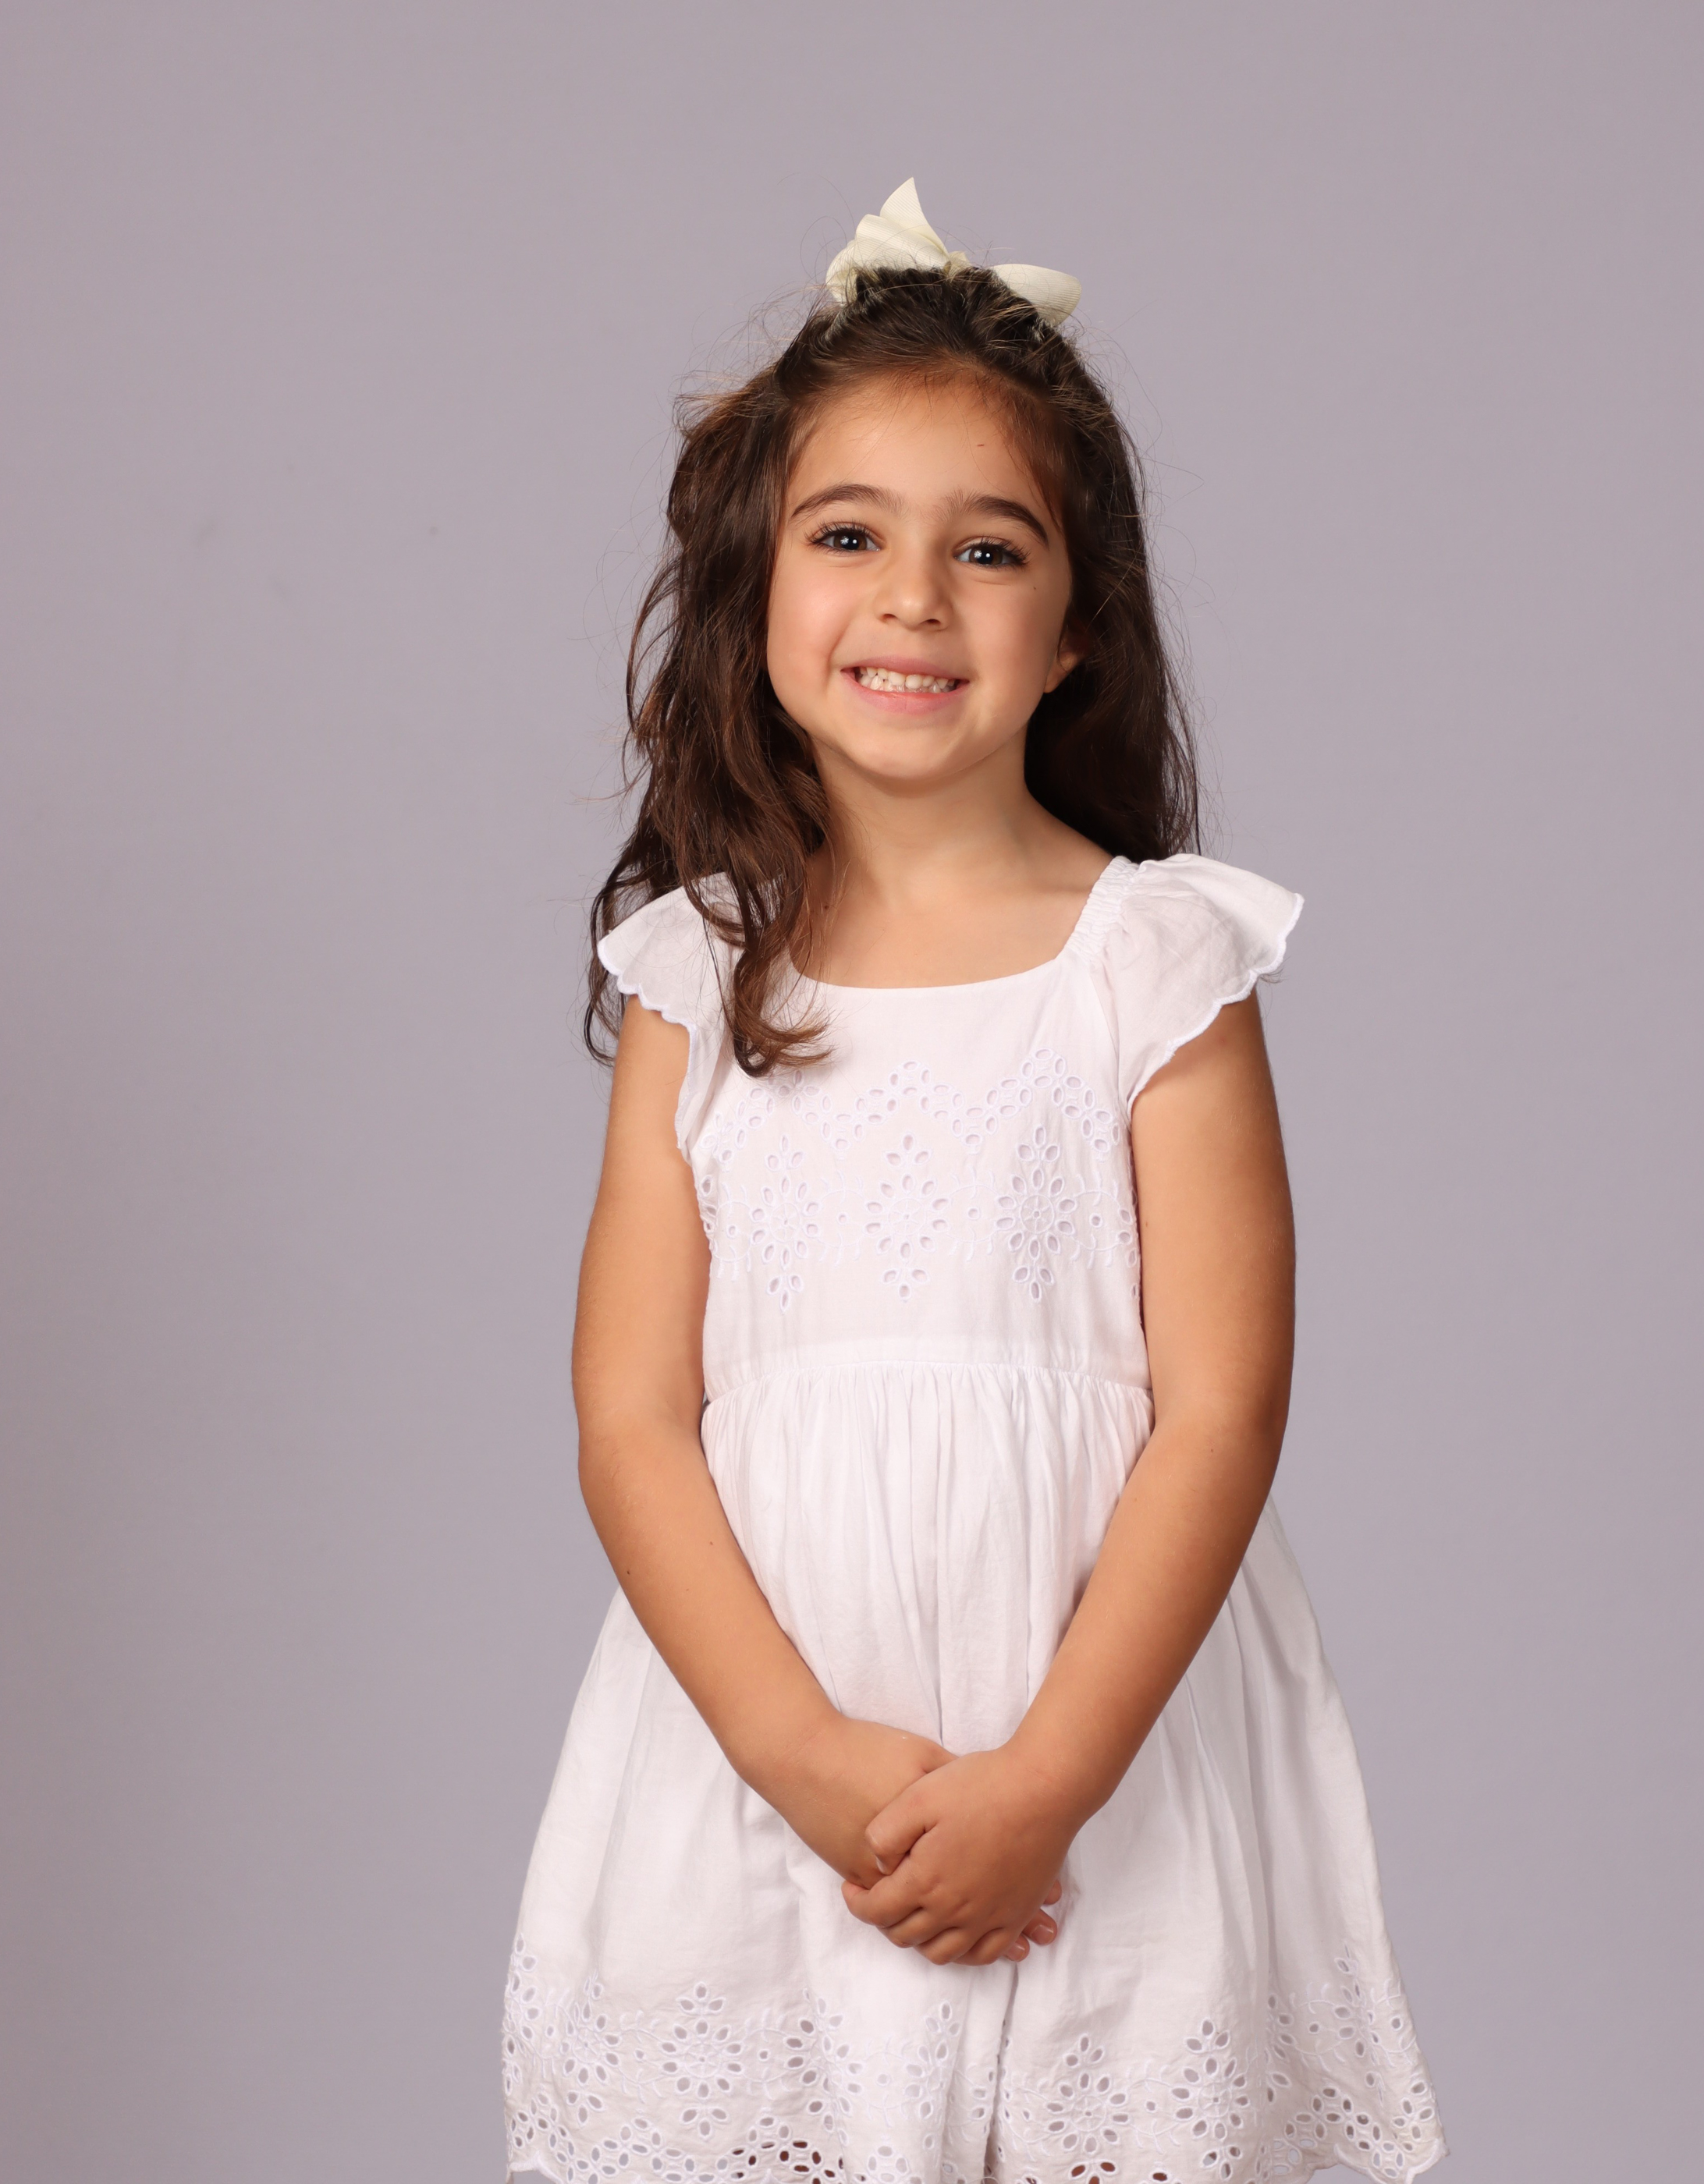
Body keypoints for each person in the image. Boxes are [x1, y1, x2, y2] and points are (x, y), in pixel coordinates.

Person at [502, 182, 1446, 2184]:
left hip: (1106, 1755)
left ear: (1075, 624)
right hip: (761, 1755)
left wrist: (1049, 1779)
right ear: (758, 586)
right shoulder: (698, 970)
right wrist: (798, 1754)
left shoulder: (1154, 959)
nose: (913, 596)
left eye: (987, 546)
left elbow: (1221, 1407)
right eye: (848, 534)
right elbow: (627, 1414)